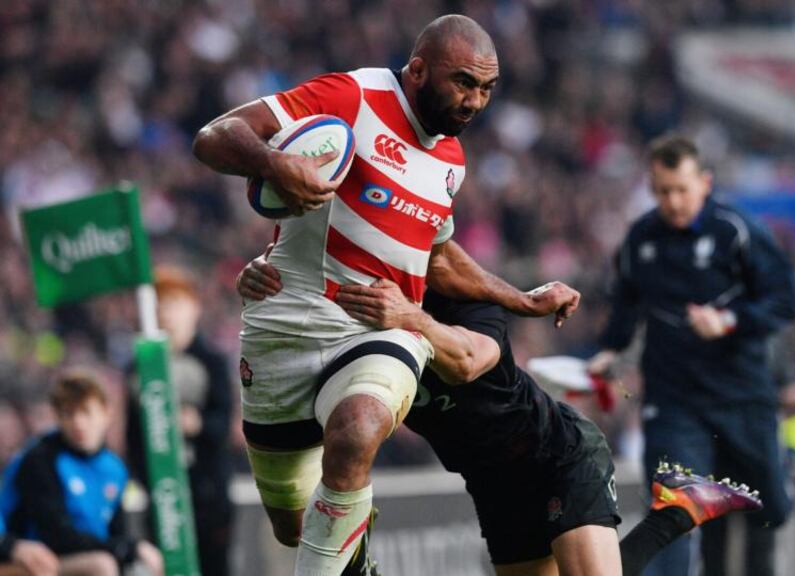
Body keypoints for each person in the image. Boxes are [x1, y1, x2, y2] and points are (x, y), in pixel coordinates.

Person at [193, 14, 579, 575]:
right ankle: (360, 557)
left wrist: (520, 299)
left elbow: (437, 256)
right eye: (464, 82)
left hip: (378, 328)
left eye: (487, 89)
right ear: (418, 69)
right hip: (286, 322)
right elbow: (213, 137)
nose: (474, 101)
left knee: (358, 428)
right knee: (293, 525)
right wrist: (275, 162)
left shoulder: (451, 161)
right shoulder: (352, 95)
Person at [238, 255, 763, 576]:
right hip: (493, 486)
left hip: (554, 456)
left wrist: (410, 317)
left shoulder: (466, 301)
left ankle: (675, 514)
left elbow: (467, 362)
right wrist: (266, 281)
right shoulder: (356, 322)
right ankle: (681, 505)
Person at [587, 133, 795, 576]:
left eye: (682, 190)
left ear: (705, 182)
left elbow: (784, 300)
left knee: (771, 507)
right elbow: (626, 305)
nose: (673, 202)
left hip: (742, 395)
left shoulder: (735, 232)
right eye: (663, 191)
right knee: (674, 508)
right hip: (674, 404)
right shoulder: (641, 239)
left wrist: (730, 321)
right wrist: (609, 351)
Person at [0, 369, 163, 576]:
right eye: (68, 414)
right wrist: (127, 549)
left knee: (146, 565)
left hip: (83, 555)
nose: (78, 423)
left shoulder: (115, 468)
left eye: (86, 412)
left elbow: (119, 530)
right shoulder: (40, 460)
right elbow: (58, 536)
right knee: (101, 566)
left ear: (106, 414)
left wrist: (133, 549)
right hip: (34, 560)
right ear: (57, 417)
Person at [127, 266, 234, 576]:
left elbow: (223, 424)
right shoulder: (139, 368)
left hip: (208, 495)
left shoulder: (210, 361)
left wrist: (197, 424)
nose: (166, 313)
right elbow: (134, 437)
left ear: (194, 308)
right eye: (159, 304)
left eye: (174, 303)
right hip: (163, 498)